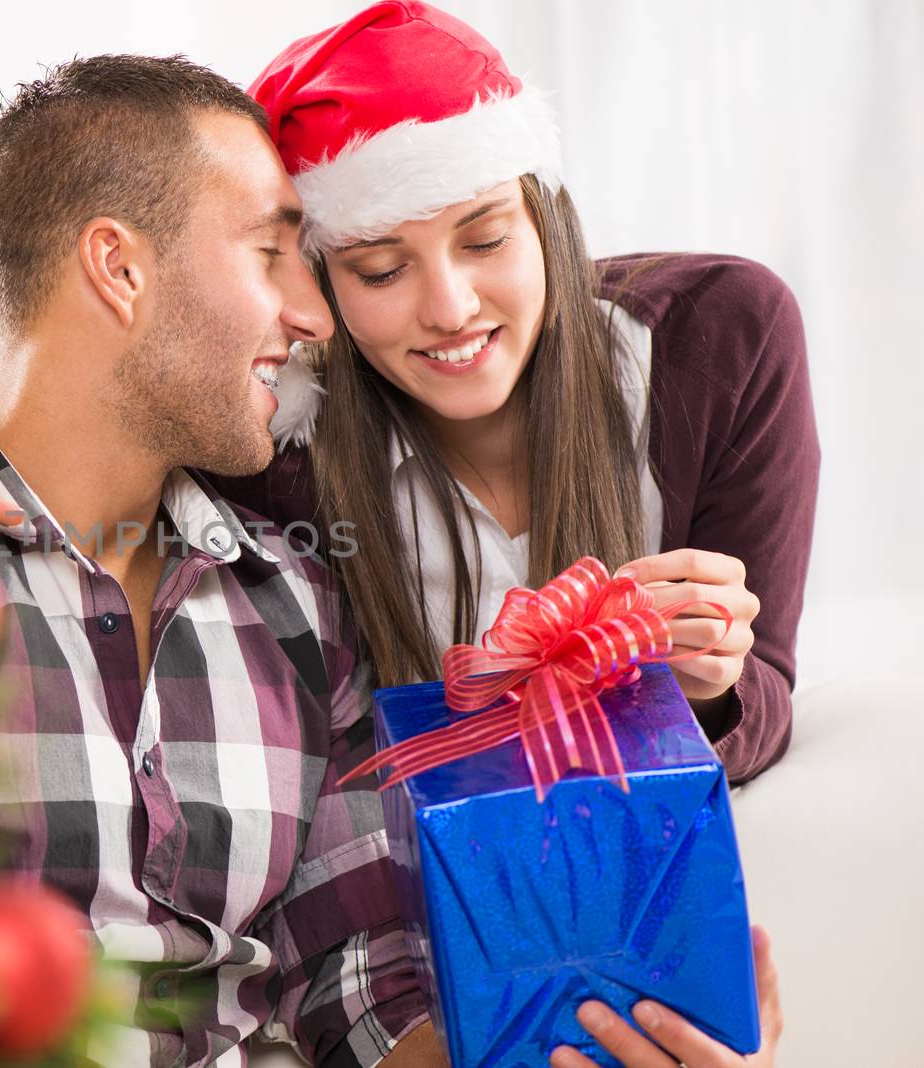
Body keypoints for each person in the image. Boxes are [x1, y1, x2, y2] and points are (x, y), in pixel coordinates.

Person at [202, 2, 810, 1064]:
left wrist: (705, 682)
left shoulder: (720, 340)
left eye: (485, 238)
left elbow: (766, 697)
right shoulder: (275, 459)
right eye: (380, 270)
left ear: (545, 216)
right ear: (318, 290)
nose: (449, 306)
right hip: (419, 971)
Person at [0, 55, 433, 1066]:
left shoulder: (296, 608)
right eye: (270, 255)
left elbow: (350, 985)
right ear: (118, 266)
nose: (314, 317)